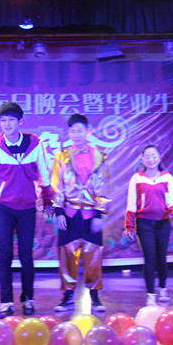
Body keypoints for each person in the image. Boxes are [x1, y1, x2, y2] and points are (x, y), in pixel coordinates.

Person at [0, 101, 53, 318]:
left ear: (20, 121)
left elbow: (45, 175)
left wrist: (47, 202)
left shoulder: (35, 144)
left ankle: (28, 299)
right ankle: (6, 302)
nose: (7, 124)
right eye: (3, 120)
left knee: (26, 255)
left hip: (27, 209)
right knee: (4, 255)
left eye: (11, 120)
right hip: (5, 209)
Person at [51, 114, 110, 314]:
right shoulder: (62, 156)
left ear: (88, 132)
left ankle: (95, 296)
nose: (76, 134)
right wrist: (58, 212)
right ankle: (67, 297)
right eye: (72, 131)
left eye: (79, 130)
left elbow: (103, 185)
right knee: (67, 255)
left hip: (91, 214)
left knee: (94, 255)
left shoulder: (100, 156)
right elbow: (57, 184)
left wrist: (99, 214)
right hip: (69, 212)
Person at [124, 145, 173, 306]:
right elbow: (131, 203)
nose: (151, 159)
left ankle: (163, 289)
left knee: (161, 257)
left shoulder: (167, 178)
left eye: (154, 156)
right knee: (150, 258)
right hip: (144, 223)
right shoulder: (137, 178)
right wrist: (129, 226)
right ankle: (150, 295)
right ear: (142, 159)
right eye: (147, 156)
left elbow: (172, 199)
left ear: (159, 157)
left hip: (163, 222)